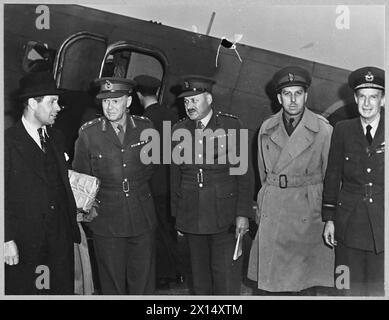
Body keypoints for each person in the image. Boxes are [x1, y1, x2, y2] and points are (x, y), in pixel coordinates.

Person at [248, 66, 334, 294]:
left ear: (306, 95)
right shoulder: (266, 128)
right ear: (279, 98)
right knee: (271, 286)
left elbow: (331, 178)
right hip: (275, 209)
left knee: (303, 286)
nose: (293, 100)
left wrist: (327, 217)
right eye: (287, 94)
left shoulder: (323, 131)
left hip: (306, 211)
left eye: (298, 93)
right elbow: (263, 173)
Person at [72, 77, 157, 295]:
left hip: (142, 215)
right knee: (112, 284)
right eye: (105, 101)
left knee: (143, 282)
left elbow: (151, 170)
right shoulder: (88, 134)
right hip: (107, 219)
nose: (109, 107)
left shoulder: (146, 128)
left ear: (128, 101)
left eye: (115, 101)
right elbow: (82, 178)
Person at [170, 75, 252, 295]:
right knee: (199, 280)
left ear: (209, 98)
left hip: (223, 215)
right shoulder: (179, 129)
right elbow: (175, 175)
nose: (189, 106)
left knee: (225, 276)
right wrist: (177, 215)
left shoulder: (231, 126)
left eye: (195, 100)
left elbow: (244, 175)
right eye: (186, 102)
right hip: (191, 214)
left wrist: (243, 213)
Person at [4, 71, 81, 294]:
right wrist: (6, 239)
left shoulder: (56, 138)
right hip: (26, 241)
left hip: (60, 238)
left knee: (60, 290)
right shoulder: (8, 142)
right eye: (52, 102)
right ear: (31, 103)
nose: (58, 107)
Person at [322, 66, 385, 296]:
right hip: (348, 226)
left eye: (373, 97)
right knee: (345, 288)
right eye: (362, 97)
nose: (367, 103)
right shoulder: (342, 130)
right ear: (355, 98)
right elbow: (332, 176)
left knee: (378, 290)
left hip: (382, 227)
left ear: (383, 99)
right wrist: (329, 219)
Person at [134, 75, 185, 289]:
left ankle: (164, 273)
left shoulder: (145, 120)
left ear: (138, 95)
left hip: (153, 184)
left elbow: (144, 157)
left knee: (155, 231)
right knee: (168, 228)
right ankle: (177, 272)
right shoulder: (171, 115)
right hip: (171, 182)